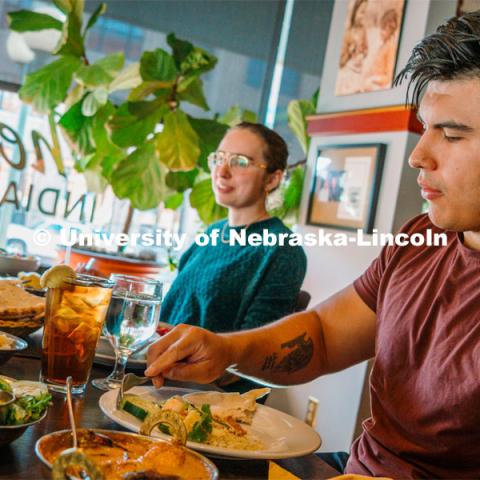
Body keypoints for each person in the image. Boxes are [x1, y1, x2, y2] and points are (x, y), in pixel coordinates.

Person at [146, 11, 480, 479]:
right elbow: (321, 338)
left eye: (452, 133)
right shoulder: (419, 238)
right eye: (425, 127)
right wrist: (225, 348)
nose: (418, 155)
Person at [160, 121, 307, 333]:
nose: (222, 171)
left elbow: (255, 345)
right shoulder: (212, 233)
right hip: (156, 357)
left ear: (272, 180)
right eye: (219, 158)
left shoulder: (282, 250)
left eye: (240, 161)